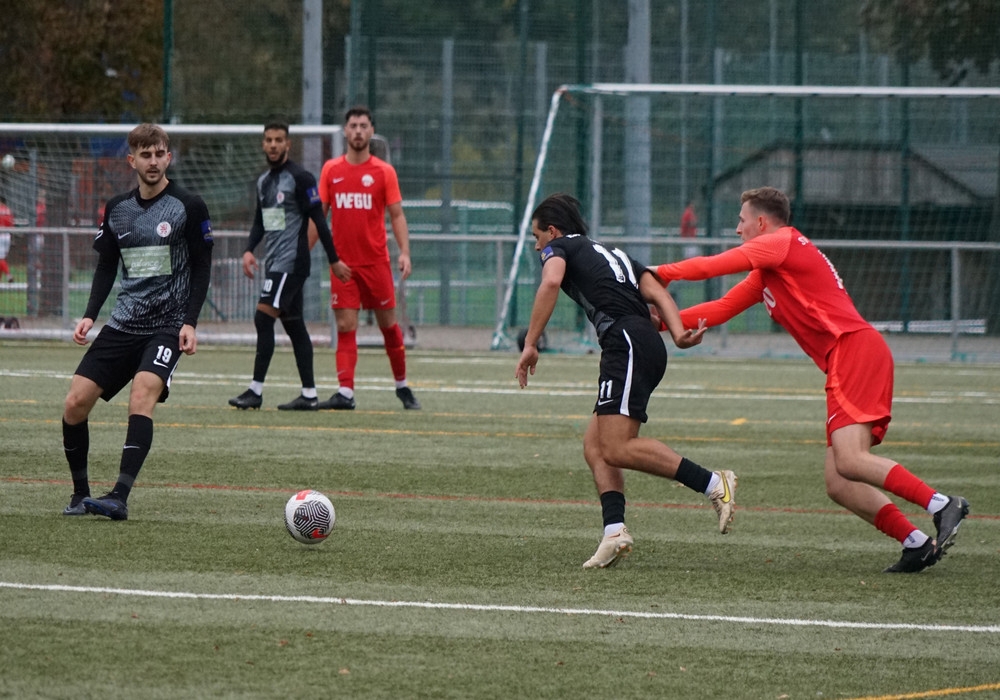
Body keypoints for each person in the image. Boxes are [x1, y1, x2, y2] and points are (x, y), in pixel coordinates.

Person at [655, 186, 969, 573]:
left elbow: (714, 265)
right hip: (851, 354)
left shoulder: (780, 242)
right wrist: (661, 322)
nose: (737, 229)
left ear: (761, 222)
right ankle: (916, 543)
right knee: (839, 481)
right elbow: (719, 309)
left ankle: (941, 504)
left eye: (741, 220)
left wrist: (658, 275)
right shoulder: (768, 272)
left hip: (852, 350)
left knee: (851, 459)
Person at [515, 193, 738, 569]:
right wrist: (678, 334)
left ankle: (714, 483)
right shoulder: (611, 253)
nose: (538, 247)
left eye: (537, 237)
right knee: (596, 446)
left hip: (627, 343)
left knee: (617, 447)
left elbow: (550, 283)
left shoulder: (559, 248)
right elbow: (654, 290)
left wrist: (531, 344)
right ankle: (614, 531)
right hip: (640, 342)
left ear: (552, 231)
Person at [61, 123, 214, 520]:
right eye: (145, 155)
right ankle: (80, 494)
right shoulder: (117, 209)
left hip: (167, 324)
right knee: (75, 403)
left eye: (159, 153)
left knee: (142, 395)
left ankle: (119, 496)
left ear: (169, 157)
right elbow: (106, 266)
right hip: (123, 322)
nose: (153, 161)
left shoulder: (188, 205)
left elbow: (202, 267)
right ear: (132, 160)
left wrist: (190, 322)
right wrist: (90, 314)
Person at [228, 120, 351, 411]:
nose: (273, 145)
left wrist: (333, 260)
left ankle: (255, 391)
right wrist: (248, 250)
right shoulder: (263, 181)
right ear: (263, 144)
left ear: (287, 144)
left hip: (291, 262)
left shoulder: (301, 178)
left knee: (263, 318)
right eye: (269, 140)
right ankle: (309, 395)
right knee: (295, 326)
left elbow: (319, 220)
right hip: (275, 262)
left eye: (278, 140)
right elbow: (260, 222)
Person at [316, 105, 420, 410]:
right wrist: (301, 253)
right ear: (345, 132)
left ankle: (402, 386)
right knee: (346, 326)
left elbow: (397, 215)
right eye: (353, 126)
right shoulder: (331, 170)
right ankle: (345, 392)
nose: (358, 131)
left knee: (389, 326)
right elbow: (318, 217)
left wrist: (405, 252)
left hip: (376, 263)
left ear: (371, 131)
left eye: (363, 126)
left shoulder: (384, 172)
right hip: (342, 265)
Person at [0, 196, 13, 282]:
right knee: (2, 258)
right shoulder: (8, 210)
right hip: (7, 236)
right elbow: (11, 223)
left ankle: (8, 275)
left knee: (0, 259)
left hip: (0, 235)